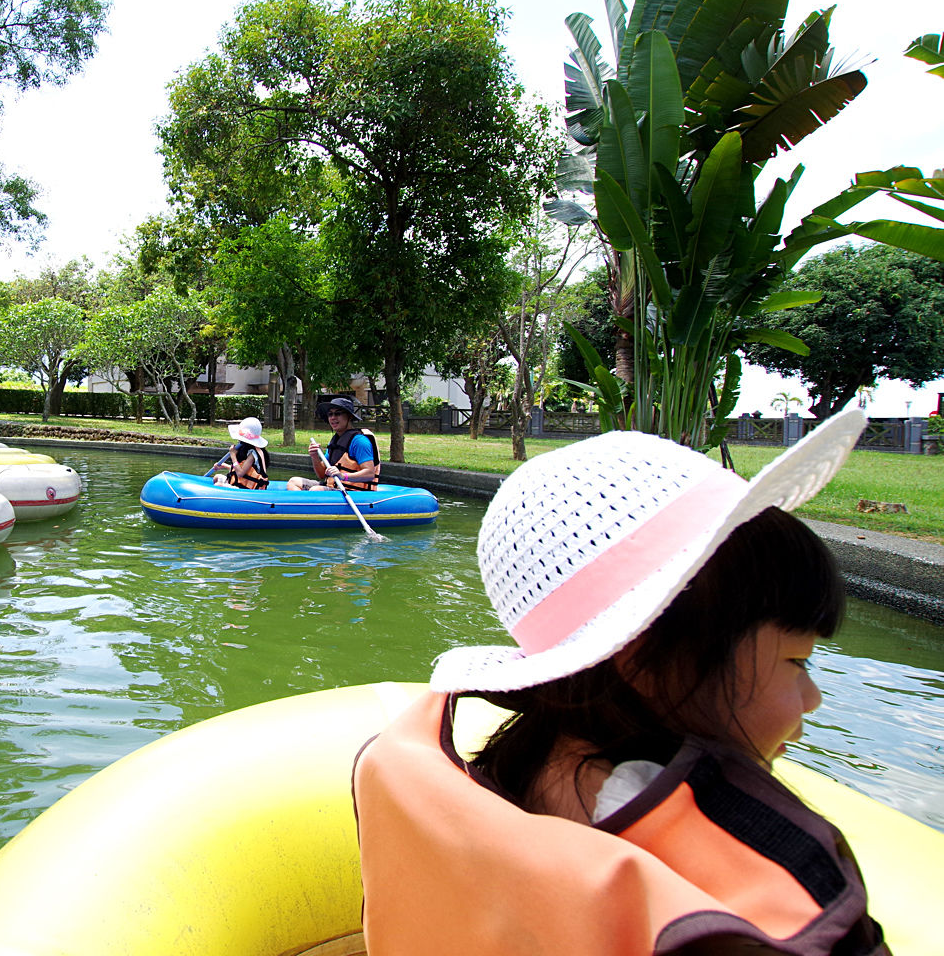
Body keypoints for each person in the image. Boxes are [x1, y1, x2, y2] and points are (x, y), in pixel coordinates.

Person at [353, 409, 886, 955]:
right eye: (797, 663)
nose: (813, 700)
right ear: (649, 659)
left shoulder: (514, 767)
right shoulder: (778, 880)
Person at [286, 396, 379, 491]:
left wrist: (343, 476)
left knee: (316, 490)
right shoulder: (336, 440)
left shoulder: (359, 441)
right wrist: (314, 457)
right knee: (294, 482)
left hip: (353, 493)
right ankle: (303, 505)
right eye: (330, 414)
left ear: (349, 416)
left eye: (338, 414)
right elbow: (321, 475)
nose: (333, 418)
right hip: (333, 487)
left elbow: (369, 474)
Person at [211, 416, 270, 489]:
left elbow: (240, 473)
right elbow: (245, 470)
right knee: (216, 478)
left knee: (218, 485)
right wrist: (224, 466)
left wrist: (233, 455)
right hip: (241, 483)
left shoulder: (252, 454)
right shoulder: (245, 449)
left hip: (248, 490)